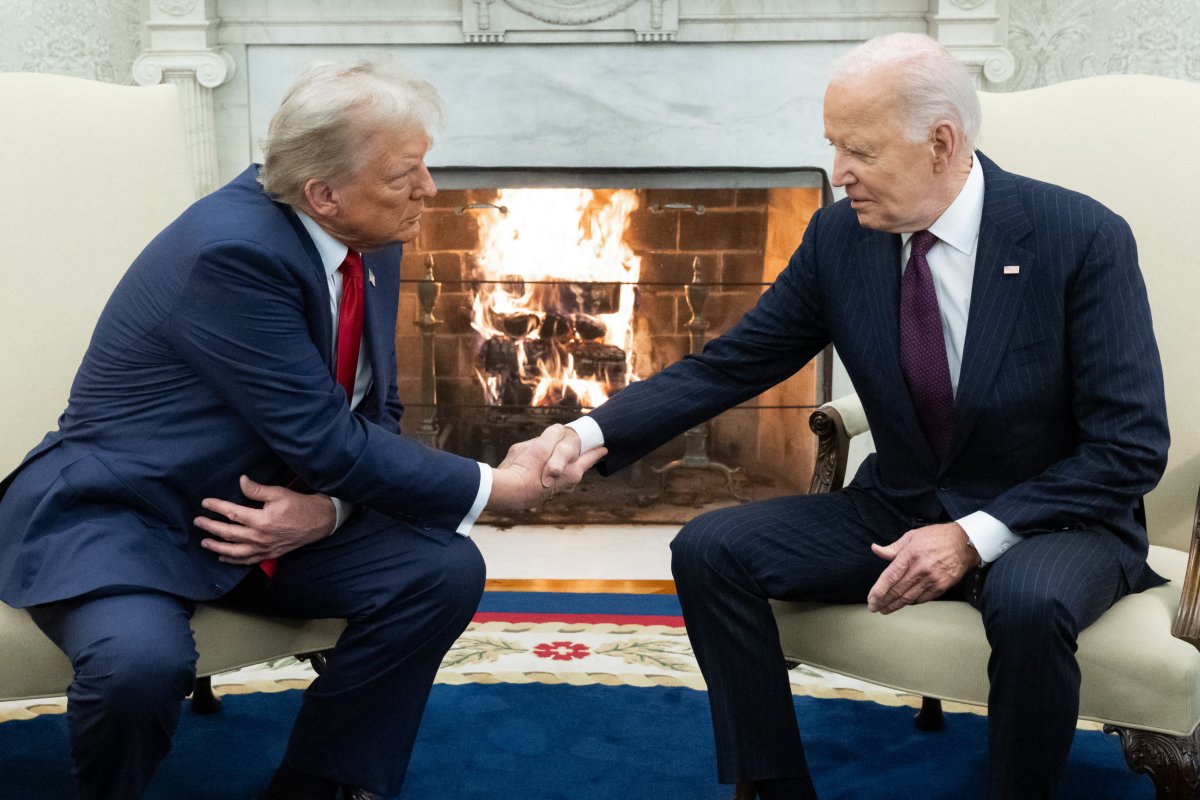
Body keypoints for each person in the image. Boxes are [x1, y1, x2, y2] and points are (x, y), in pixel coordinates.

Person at [543, 32, 1169, 800]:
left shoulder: (1079, 237)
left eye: (860, 152)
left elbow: (1129, 448)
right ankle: (772, 786)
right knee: (711, 548)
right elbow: (733, 362)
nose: (838, 174)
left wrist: (972, 537)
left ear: (941, 143)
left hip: (1054, 519)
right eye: (833, 146)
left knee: (1030, 602)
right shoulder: (841, 237)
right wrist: (588, 432)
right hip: (902, 500)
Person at [0, 62, 599, 800]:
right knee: (139, 668)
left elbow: (372, 411)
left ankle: (317, 784)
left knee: (439, 571)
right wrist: (495, 489)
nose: (430, 190)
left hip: (262, 513)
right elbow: (329, 440)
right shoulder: (233, 253)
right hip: (133, 515)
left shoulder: (368, 231)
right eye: (406, 173)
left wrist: (330, 512)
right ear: (324, 193)